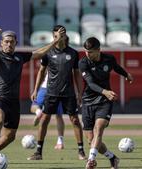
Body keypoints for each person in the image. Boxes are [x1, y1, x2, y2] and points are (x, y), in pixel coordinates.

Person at [0, 27, 65, 166]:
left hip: (14, 101)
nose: (8, 44)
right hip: (0, 97)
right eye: (6, 42)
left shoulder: (20, 57)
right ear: (1, 43)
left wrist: (55, 42)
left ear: (15, 43)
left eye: (11, 42)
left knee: (10, 136)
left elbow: (38, 53)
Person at [27, 25, 86, 161]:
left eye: (59, 36)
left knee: (75, 120)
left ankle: (81, 151)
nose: (57, 38)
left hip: (69, 93)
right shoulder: (48, 53)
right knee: (44, 120)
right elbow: (41, 72)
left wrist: (79, 93)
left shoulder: (73, 53)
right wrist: (35, 89)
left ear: (65, 36)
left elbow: (77, 74)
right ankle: (38, 152)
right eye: (54, 36)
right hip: (51, 92)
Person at [79, 37, 133, 169]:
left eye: (90, 52)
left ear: (98, 50)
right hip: (88, 101)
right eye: (86, 51)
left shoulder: (109, 59)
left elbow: (116, 67)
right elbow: (90, 83)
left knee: (98, 129)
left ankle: (91, 160)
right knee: (91, 139)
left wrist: (126, 74)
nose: (87, 54)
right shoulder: (83, 63)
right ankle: (113, 158)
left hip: (104, 101)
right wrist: (105, 91)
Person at [31, 70, 65, 150]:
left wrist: (36, 89)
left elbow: (42, 71)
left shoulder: (47, 57)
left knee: (34, 106)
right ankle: (60, 142)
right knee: (58, 115)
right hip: (58, 88)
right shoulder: (66, 58)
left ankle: (38, 112)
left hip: (44, 87)